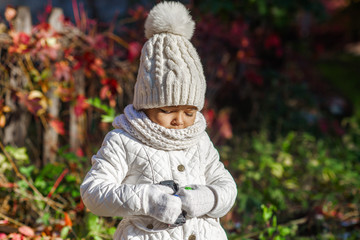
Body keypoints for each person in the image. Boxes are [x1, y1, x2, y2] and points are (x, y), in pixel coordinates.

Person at [80, 1, 237, 239]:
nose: (180, 120)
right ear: (146, 105)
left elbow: (227, 188)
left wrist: (208, 198)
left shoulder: (199, 140)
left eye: (189, 111)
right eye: (168, 110)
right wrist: (147, 199)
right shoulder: (124, 140)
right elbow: (93, 193)